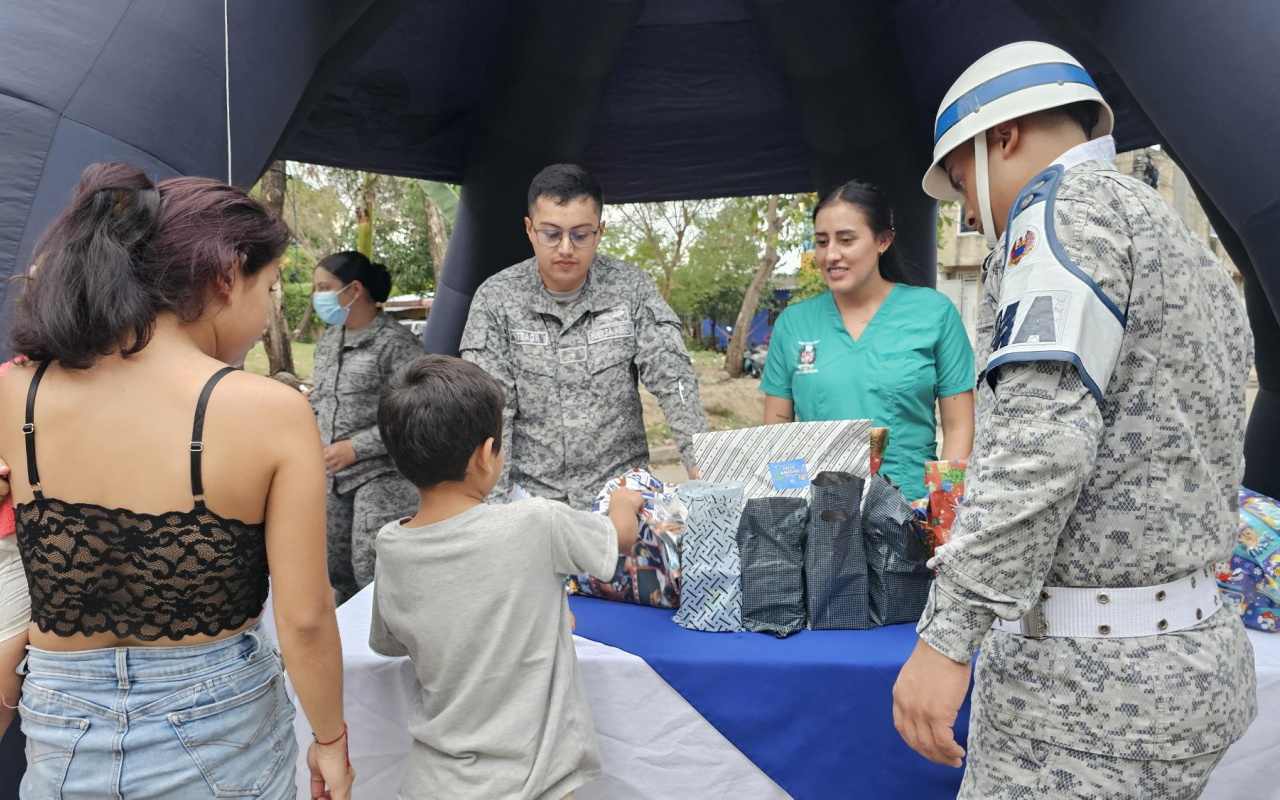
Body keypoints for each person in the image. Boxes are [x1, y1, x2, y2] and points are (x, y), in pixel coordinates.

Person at [892, 42, 1255, 797]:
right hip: (1187, 655)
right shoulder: (1180, 241)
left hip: (1086, 695)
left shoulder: (1060, 214)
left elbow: (1040, 445)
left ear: (1003, 137)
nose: (964, 210)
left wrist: (948, 636)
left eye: (961, 183)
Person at [0, 163, 353, 799]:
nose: (268, 307)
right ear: (226, 277)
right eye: (269, 288)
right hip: (218, 723)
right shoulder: (269, 411)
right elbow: (303, 618)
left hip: (59, 720)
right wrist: (331, 741)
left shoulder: (17, 389)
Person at [369, 354, 643, 800]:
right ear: (485, 455)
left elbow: (390, 641)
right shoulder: (537, 522)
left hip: (432, 784)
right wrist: (622, 503)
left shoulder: (392, 544)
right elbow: (621, 540)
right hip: (530, 785)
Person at [460, 164, 708, 510]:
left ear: (600, 231)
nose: (565, 248)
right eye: (551, 234)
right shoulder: (496, 299)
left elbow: (673, 379)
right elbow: (490, 411)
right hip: (530, 499)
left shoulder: (630, 289)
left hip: (619, 497)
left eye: (580, 234)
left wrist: (701, 460)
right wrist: (496, 512)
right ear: (529, 229)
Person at [760, 181, 975, 501]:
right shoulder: (794, 323)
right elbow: (776, 431)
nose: (831, 254)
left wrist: (940, 505)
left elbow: (959, 428)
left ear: (883, 240)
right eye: (821, 241)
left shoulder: (934, 313)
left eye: (846, 240)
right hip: (822, 519)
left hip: (909, 515)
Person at [310, 251, 424, 605]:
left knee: (371, 566)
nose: (318, 297)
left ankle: (390, 650)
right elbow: (323, 401)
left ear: (354, 289)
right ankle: (351, 648)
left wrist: (357, 447)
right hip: (332, 477)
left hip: (382, 475)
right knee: (337, 569)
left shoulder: (397, 343)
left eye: (324, 287)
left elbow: (417, 412)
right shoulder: (329, 340)